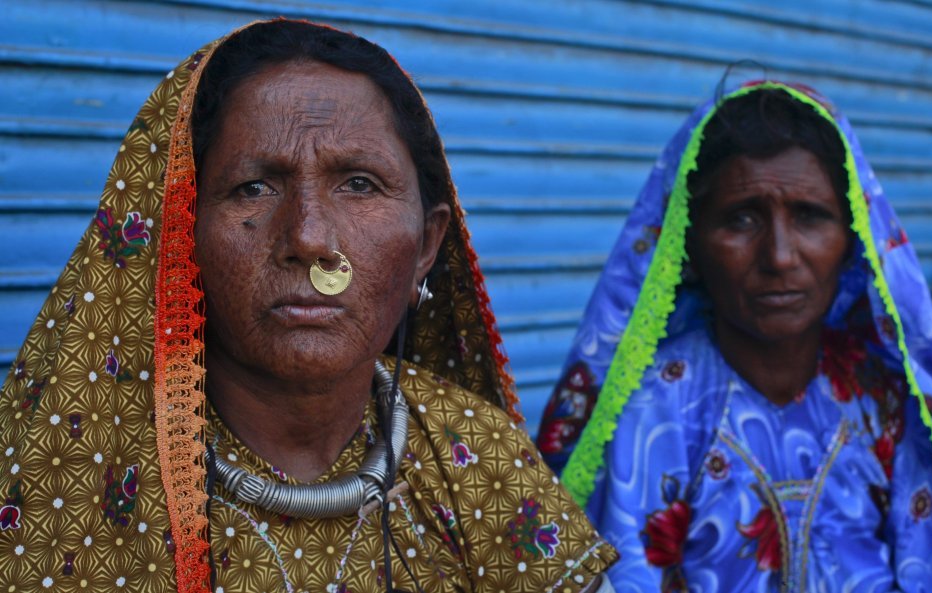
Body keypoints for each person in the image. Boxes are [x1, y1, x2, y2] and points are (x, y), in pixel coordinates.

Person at [0, 19, 617, 593]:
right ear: (179, 234)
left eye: (359, 184)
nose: (309, 238)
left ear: (427, 244)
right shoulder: (78, 473)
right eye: (254, 186)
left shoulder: (475, 452)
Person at [536, 81, 932, 591]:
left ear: (853, 240)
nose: (779, 256)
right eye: (742, 218)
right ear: (690, 246)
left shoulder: (884, 398)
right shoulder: (654, 406)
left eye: (810, 217)